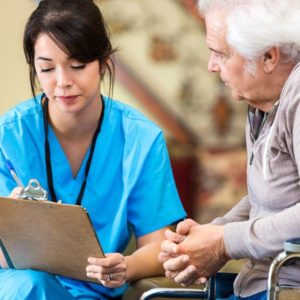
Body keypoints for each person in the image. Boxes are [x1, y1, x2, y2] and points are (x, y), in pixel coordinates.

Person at [0, 0, 186, 299]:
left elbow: (159, 245)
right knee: (32, 284)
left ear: (103, 63)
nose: (62, 82)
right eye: (46, 68)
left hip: (94, 292)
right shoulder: (8, 137)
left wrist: (126, 266)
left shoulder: (141, 139)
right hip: (19, 287)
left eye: (77, 66)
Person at [159, 0, 300, 299]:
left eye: (221, 53)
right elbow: (274, 198)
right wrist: (209, 235)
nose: (211, 66)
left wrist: (224, 241)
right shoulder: (262, 104)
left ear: (268, 57)